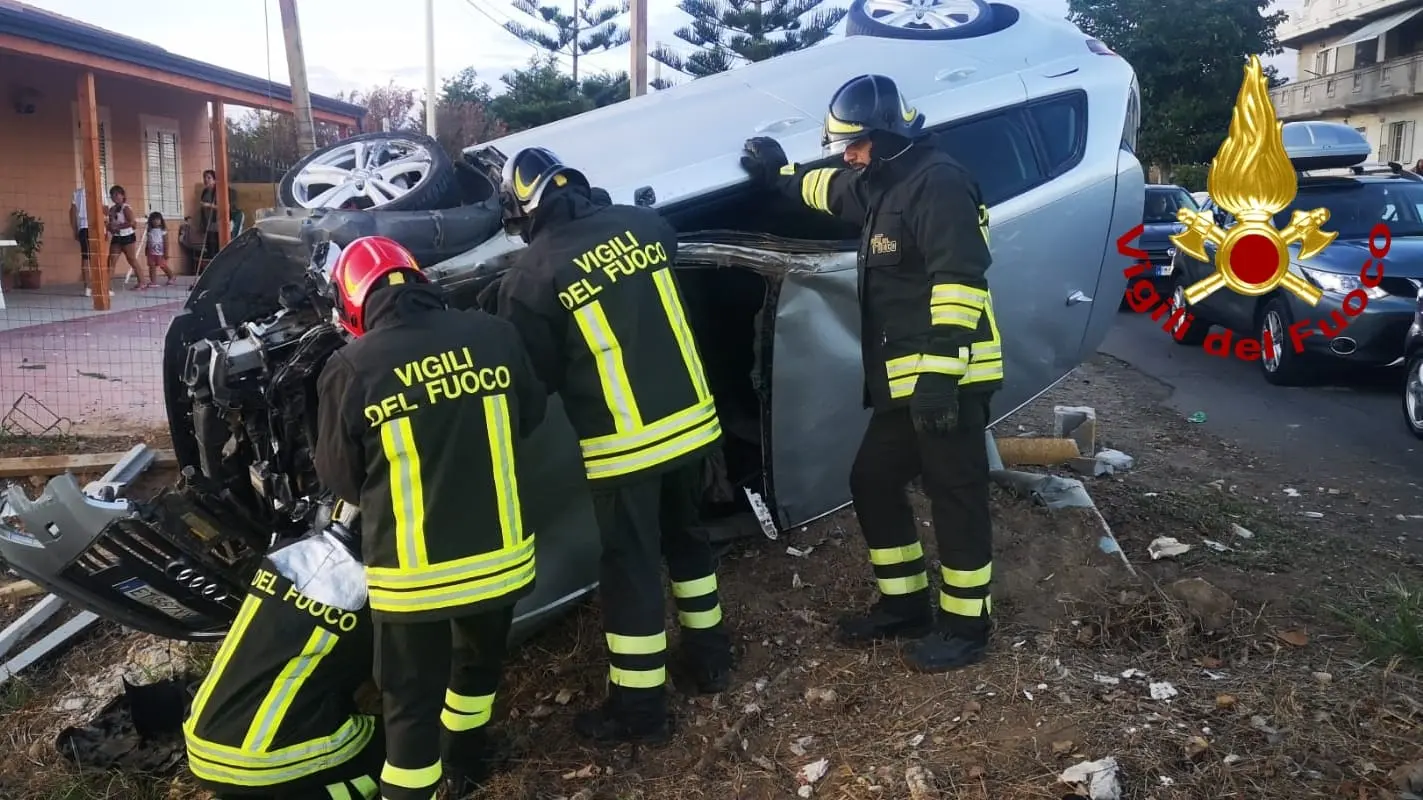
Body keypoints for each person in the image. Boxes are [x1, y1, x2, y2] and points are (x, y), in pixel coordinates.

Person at [739, 73, 1003, 673]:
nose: (849, 155)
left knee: (955, 496)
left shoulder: (939, 184)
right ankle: (905, 604)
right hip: (908, 382)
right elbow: (832, 191)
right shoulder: (887, 184)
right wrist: (782, 176)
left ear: (886, 135)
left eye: (856, 144)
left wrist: (940, 377)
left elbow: (959, 281)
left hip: (949, 379)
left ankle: (967, 627)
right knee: (873, 480)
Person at [492, 147, 733, 745]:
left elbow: (536, 377)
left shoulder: (533, 273)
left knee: (630, 567)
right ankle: (710, 657)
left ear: (526, 209)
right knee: (687, 539)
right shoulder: (646, 225)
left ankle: (640, 708)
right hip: (693, 423)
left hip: (627, 446)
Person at [313, 236, 547, 800]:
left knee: (410, 707)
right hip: (501, 564)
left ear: (353, 306)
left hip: (412, 582)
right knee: (476, 670)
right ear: (420, 279)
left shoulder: (350, 367)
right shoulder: (494, 334)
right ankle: (466, 763)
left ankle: (415, 788)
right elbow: (531, 416)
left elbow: (341, 480)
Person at [184, 504, 383, 799]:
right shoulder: (372, 595)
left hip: (202, 745)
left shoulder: (282, 557)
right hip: (266, 759)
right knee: (398, 745)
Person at [105, 186, 146, 290]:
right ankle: (106, 285)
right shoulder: (112, 209)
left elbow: (132, 223)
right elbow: (111, 223)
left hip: (127, 237)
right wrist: (110, 228)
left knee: (131, 259)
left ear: (122, 195)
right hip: (117, 237)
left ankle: (142, 281)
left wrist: (119, 226)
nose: (114, 197)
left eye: (116, 194)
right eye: (112, 195)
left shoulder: (126, 208)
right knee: (111, 260)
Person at [70, 186, 91, 297]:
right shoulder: (100, 189)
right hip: (94, 228)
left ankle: (87, 287)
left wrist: (75, 229)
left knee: (85, 257)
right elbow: (105, 209)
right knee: (94, 258)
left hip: (83, 228)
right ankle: (97, 285)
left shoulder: (77, 193)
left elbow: (72, 212)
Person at [144, 212, 176, 287]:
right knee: (151, 266)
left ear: (161, 220)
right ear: (150, 221)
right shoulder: (149, 231)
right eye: (154, 219)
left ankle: (171, 276)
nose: (156, 221)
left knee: (163, 265)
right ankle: (153, 281)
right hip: (151, 252)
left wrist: (166, 253)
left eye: (158, 219)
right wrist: (146, 249)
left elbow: (166, 242)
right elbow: (148, 241)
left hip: (160, 252)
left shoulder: (163, 231)